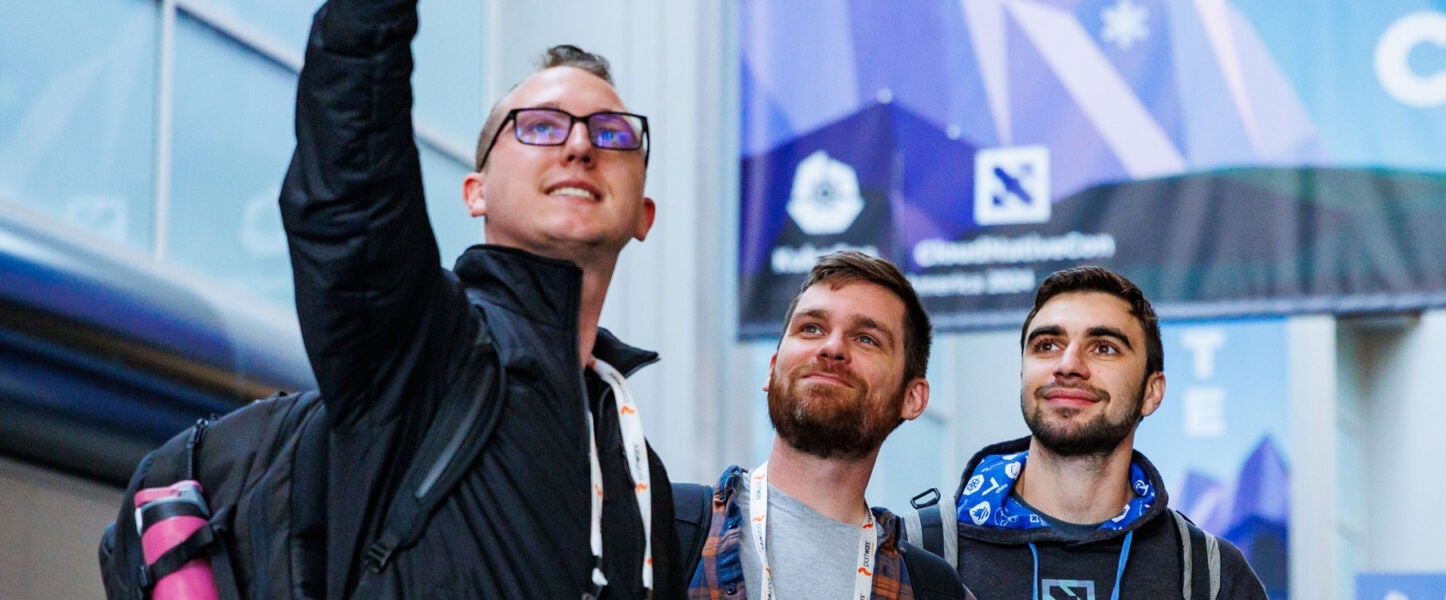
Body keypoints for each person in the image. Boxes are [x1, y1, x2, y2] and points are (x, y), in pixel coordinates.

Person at [279, 0, 680, 597]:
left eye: (612, 133)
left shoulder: (640, 470)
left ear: (644, 215)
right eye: (541, 126)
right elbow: (351, 183)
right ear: (477, 193)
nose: (579, 146)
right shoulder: (420, 347)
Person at [949, 266, 1267, 599]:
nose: (1068, 364)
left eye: (1104, 347)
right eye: (1046, 345)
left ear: (1151, 392)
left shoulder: (1212, 575)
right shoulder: (925, 553)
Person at [685, 251, 969, 599]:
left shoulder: (934, 590)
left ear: (911, 398)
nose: (832, 347)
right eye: (811, 328)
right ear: (772, 370)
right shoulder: (662, 525)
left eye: (866, 338)